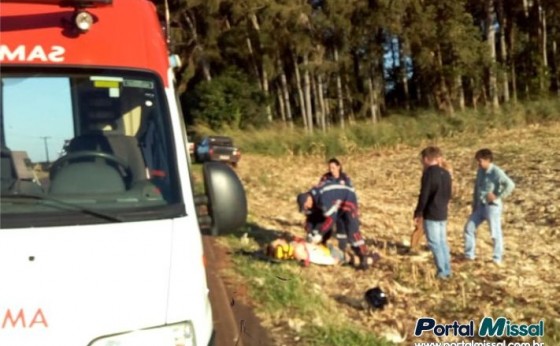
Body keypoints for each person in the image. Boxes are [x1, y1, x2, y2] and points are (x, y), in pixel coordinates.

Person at [297, 180, 371, 269]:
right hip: (336, 204)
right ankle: (327, 248)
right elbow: (311, 219)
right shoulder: (313, 200)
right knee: (327, 226)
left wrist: (320, 234)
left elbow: (331, 219)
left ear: (308, 199)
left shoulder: (323, 199)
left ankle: (363, 256)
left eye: (306, 206)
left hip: (348, 199)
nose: (307, 208)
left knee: (352, 231)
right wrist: (310, 233)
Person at [464, 148, 515, 266]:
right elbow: (477, 189)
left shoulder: (496, 172)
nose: (478, 163)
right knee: (469, 227)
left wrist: (497, 196)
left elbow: (510, 185)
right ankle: (469, 255)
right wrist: (475, 204)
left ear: (487, 160)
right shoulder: (480, 171)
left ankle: (497, 258)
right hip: (481, 206)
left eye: (480, 161)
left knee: (495, 232)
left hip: (492, 207)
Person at [413, 146, 452, 279]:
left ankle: (442, 272)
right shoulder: (446, 173)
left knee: (435, 243)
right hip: (442, 212)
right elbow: (448, 194)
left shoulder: (429, 173)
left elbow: (424, 195)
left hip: (432, 212)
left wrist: (418, 212)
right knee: (442, 242)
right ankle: (447, 269)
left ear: (426, 159)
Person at [410, 156, 453, 252]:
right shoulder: (444, 172)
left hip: (432, 207)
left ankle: (416, 247)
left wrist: (419, 211)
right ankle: (415, 246)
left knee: (425, 229)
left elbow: (425, 193)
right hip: (439, 207)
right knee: (431, 232)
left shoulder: (432, 173)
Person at [266, 236, 380, 268]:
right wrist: (331, 261)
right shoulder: (297, 250)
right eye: (278, 241)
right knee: (350, 258)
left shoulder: (294, 248)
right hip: (328, 254)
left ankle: (365, 259)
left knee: (347, 256)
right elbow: (315, 257)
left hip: (325, 249)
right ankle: (370, 259)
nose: (280, 239)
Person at [318, 158, 354, 250]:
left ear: (339, 167)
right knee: (326, 226)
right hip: (330, 208)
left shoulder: (345, 178)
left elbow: (350, 192)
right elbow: (320, 191)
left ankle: (343, 249)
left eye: (333, 167)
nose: (331, 170)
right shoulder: (325, 178)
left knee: (341, 228)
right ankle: (321, 244)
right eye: (330, 168)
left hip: (342, 207)